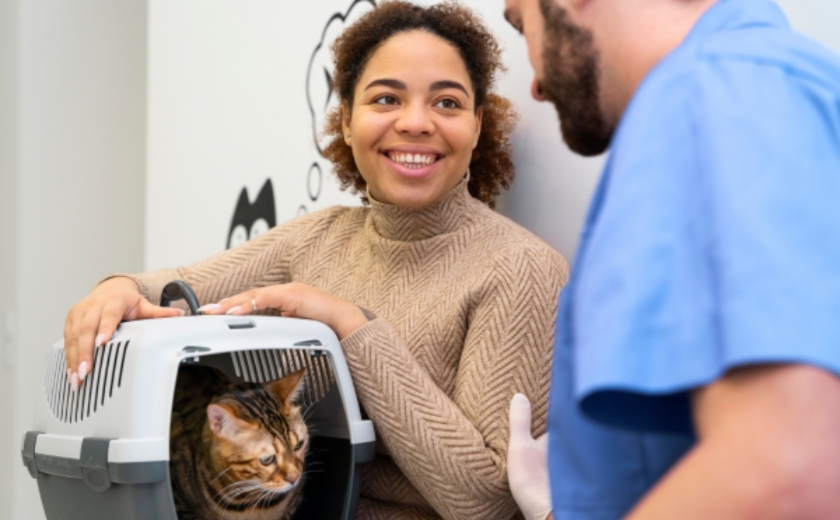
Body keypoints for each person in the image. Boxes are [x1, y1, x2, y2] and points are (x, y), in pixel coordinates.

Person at [62, 2, 569, 519]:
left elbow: (484, 503)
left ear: (478, 125)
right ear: (347, 121)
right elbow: (175, 287)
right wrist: (116, 288)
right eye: (387, 98)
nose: (416, 122)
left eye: (447, 103)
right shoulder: (319, 238)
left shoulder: (520, 270)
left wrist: (349, 324)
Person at [503, 0, 840, 518]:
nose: (536, 85)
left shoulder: (717, 88)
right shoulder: (751, 88)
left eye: (521, 23)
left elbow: (787, 475)